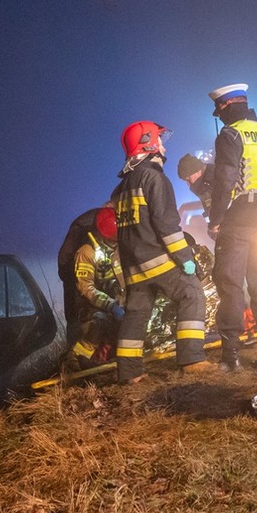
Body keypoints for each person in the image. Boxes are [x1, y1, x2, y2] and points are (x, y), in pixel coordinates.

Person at [111, 121, 213, 383]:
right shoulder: (154, 178)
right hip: (158, 262)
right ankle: (191, 359)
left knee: (136, 314)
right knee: (192, 293)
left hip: (134, 268)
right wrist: (186, 260)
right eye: (159, 140)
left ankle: (130, 374)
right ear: (149, 144)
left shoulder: (121, 188)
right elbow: (167, 225)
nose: (163, 145)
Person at [206, 83, 257, 372]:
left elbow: (225, 181)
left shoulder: (230, 134)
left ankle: (231, 357)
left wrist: (216, 219)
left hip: (239, 217)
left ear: (225, 107)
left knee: (229, 283)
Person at [63, 206, 126, 372]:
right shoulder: (86, 252)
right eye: (112, 241)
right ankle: (74, 360)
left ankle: (110, 354)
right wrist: (110, 305)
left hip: (116, 301)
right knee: (99, 321)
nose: (115, 245)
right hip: (90, 306)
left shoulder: (117, 249)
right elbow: (85, 288)